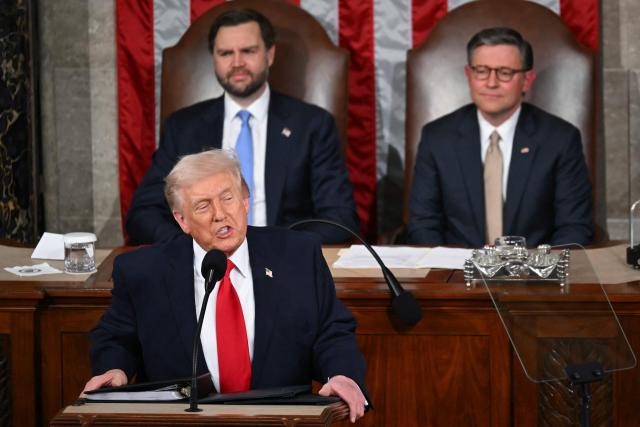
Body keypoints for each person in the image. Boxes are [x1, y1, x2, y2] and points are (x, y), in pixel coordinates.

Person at [83, 149, 368, 423]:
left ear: (245, 201)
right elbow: (117, 337)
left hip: (280, 421)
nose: (220, 214)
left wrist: (342, 374)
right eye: (203, 205)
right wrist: (114, 369)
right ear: (182, 220)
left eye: (227, 198)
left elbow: (331, 330)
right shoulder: (144, 271)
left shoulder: (297, 255)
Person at [125, 8, 358, 245]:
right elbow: (143, 214)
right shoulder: (184, 127)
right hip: (207, 264)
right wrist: (191, 248)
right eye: (226, 53)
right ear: (214, 59)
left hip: (283, 261)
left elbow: (339, 217)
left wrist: (275, 246)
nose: (237, 63)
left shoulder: (312, 125)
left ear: (270, 55)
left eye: (248, 51)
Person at [407, 27, 593, 248]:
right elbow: (423, 224)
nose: (491, 83)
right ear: (469, 75)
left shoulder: (560, 139)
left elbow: (574, 226)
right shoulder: (437, 138)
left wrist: (541, 273)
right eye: (482, 71)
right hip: (457, 274)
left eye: (504, 72)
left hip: (533, 276)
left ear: (527, 79)